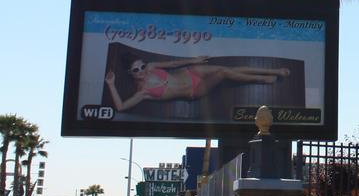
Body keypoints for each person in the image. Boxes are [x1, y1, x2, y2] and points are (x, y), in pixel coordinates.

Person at [105, 55, 289, 111]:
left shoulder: (152, 66)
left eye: (142, 66)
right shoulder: (142, 92)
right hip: (193, 90)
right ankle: (263, 78)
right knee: (224, 72)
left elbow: (173, 64)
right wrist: (111, 84)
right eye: (136, 70)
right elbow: (120, 107)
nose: (141, 71)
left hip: (189, 71)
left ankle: (273, 72)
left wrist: (194, 60)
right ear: (131, 73)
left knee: (228, 69)